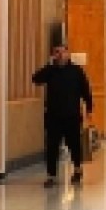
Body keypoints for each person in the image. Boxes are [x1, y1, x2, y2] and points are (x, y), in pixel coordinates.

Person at [31, 44, 94, 186]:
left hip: (72, 116)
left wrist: (89, 108)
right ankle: (51, 175)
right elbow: (35, 78)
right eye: (57, 52)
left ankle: (77, 169)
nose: (60, 55)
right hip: (53, 117)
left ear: (68, 53)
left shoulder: (76, 71)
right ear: (54, 55)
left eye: (62, 52)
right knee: (52, 146)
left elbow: (86, 90)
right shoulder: (50, 71)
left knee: (74, 144)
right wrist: (49, 65)